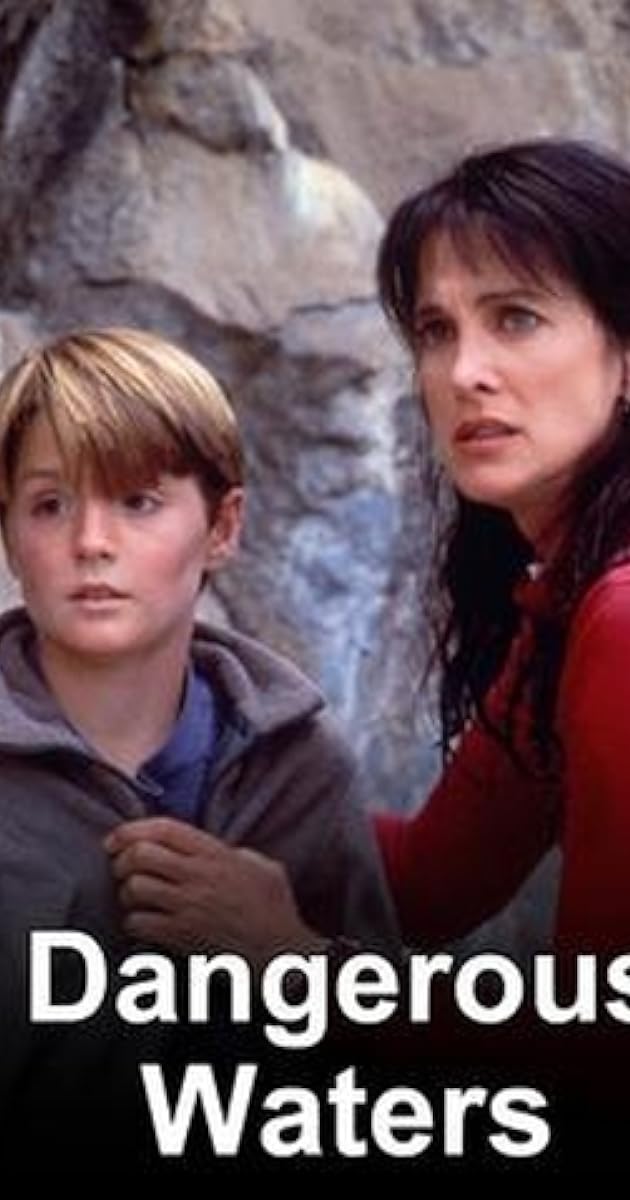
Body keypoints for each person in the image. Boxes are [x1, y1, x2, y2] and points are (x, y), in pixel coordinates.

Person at [167, 137, 630, 967]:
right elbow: (427, 882)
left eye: (516, 317)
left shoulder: (622, 620)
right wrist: (164, 780)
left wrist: (295, 962)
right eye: (436, 330)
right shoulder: (569, 598)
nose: (464, 371)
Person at [0, 325, 397, 1166]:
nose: (90, 541)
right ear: (9, 534)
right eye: (50, 504)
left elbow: (394, 1075)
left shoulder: (301, 767)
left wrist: (288, 957)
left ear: (223, 526)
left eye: (137, 502)